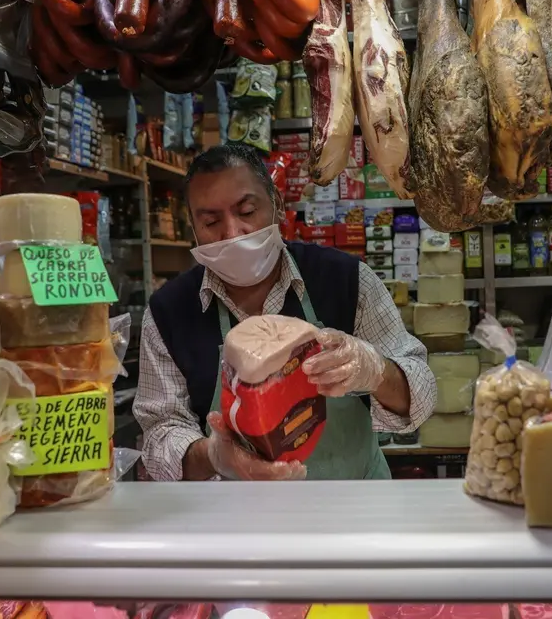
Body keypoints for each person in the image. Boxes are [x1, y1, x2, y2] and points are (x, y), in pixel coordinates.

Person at [133, 143, 436, 481]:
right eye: (211, 221)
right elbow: (160, 431)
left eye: (247, 211)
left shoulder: (346, 280)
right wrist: (214, 456)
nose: (233, 233)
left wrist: (375, 370)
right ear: (193, 227)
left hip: (354, 511)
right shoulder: (168, 313)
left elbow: (421, 395)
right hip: (235, 520)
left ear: (276, 204)